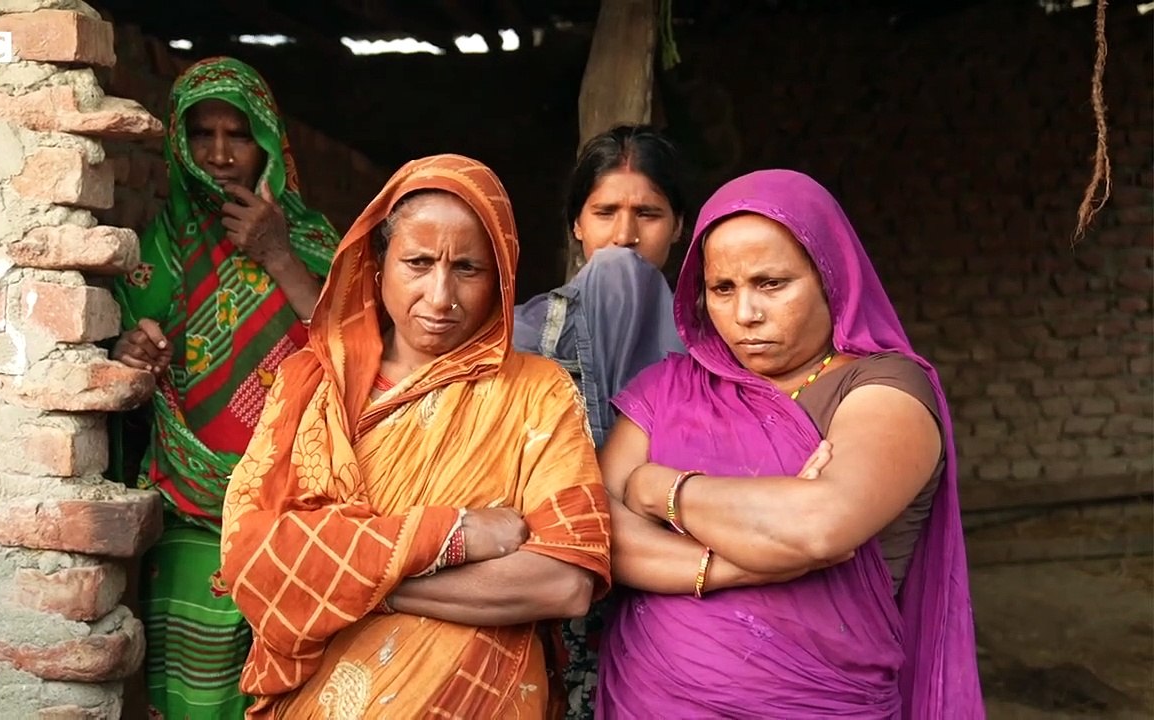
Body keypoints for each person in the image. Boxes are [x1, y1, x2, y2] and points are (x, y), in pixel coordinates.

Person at [218, 154, 611, 719]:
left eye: (468, 269)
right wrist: (451, 535)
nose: (441, 295)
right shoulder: (308, 384)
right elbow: (253, 560)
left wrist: (358, 583)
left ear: (501, 275)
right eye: (418, 262)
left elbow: (562, 582)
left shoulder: (537, 393)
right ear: (377, 268)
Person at [595, 169, 983, 718]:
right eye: (722, 290)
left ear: (831, 277)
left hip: (820, 701)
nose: (745, 315)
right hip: (651, 698)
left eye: (771, 284)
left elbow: (819, 525)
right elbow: (596, 533)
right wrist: (741, 565)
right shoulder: (668, 388)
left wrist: (656, 489)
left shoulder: (885, 389)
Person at [108, 57, 341, 718]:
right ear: (178, 143)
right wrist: (134, 357)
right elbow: (123, 376)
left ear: (267, 138)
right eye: (201, 133)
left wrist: (277, 254)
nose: (217, 153)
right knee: (190, 692)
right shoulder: (159, 249)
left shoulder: (315, 240)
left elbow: (353, 352)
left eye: (236, 134)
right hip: (188, 509)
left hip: (297, 512)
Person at [511, 124, 688, 719]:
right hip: (554, 607)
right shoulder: (525, 337)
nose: (625, 236)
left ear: (680, 227)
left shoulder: (719, 346)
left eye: (649, 213)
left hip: (681, 607)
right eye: (605, 211)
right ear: (576, 225)